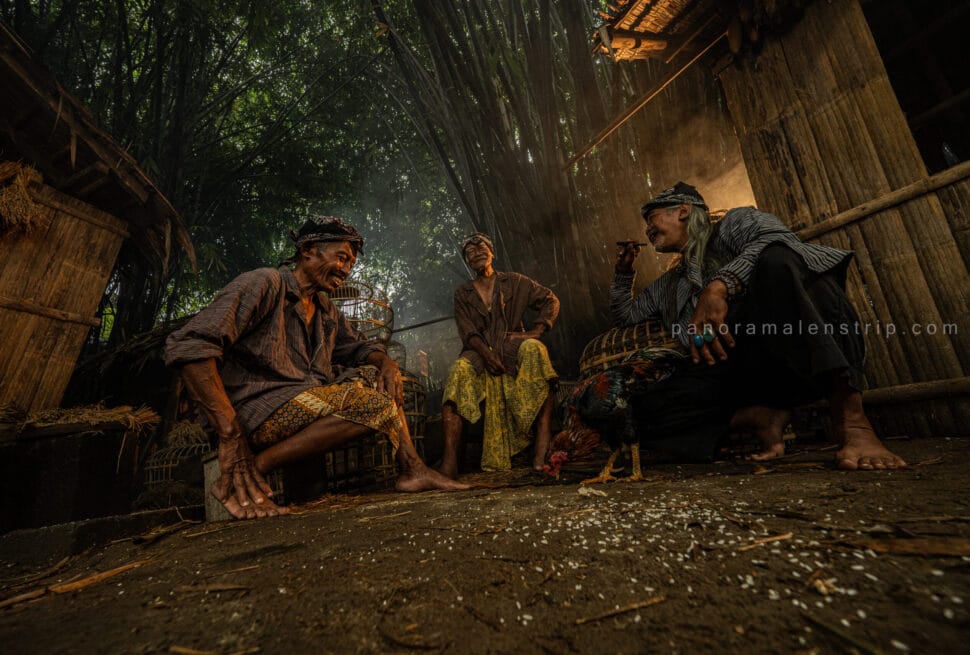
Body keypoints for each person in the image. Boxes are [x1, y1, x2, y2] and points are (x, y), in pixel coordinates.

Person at [563, 181, 906, 473]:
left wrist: (719, 286)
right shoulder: (668, 285)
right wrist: (624, 273)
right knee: (618, 411)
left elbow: (778, 238)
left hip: (783, 347)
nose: (647, 229)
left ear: (683, 210)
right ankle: (762, 416)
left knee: (780, 261)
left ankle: (852, 421)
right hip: (728, 368)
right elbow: (625, 316)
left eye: (652, 218)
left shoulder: (733, 224)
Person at [165, 215, 467, 520]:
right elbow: (189, 345)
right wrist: (230, 434)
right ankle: (257, 466)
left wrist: (386, 364)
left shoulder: (325, 309)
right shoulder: (265, 283)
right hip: (255, 413)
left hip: (303, 404)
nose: (347, 270)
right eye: (341, 258)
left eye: (351, 264)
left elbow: (362, 347)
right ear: (309, 250)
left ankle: (412, 469)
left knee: (378, 375)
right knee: (374, 405)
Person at [438, 232, 560, 477]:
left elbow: (550, 299)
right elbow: (468, 331)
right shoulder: (463, 294)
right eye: (470, 252)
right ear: (467, 262)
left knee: (536, 351)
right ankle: (449, 462)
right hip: (478, 350)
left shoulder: (514, 281)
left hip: (510, 345)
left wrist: (534, 332)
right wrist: (486, 354)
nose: (476, 253)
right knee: (458, 371)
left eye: (481, 247)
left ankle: (542, 446)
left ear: (492, 252)